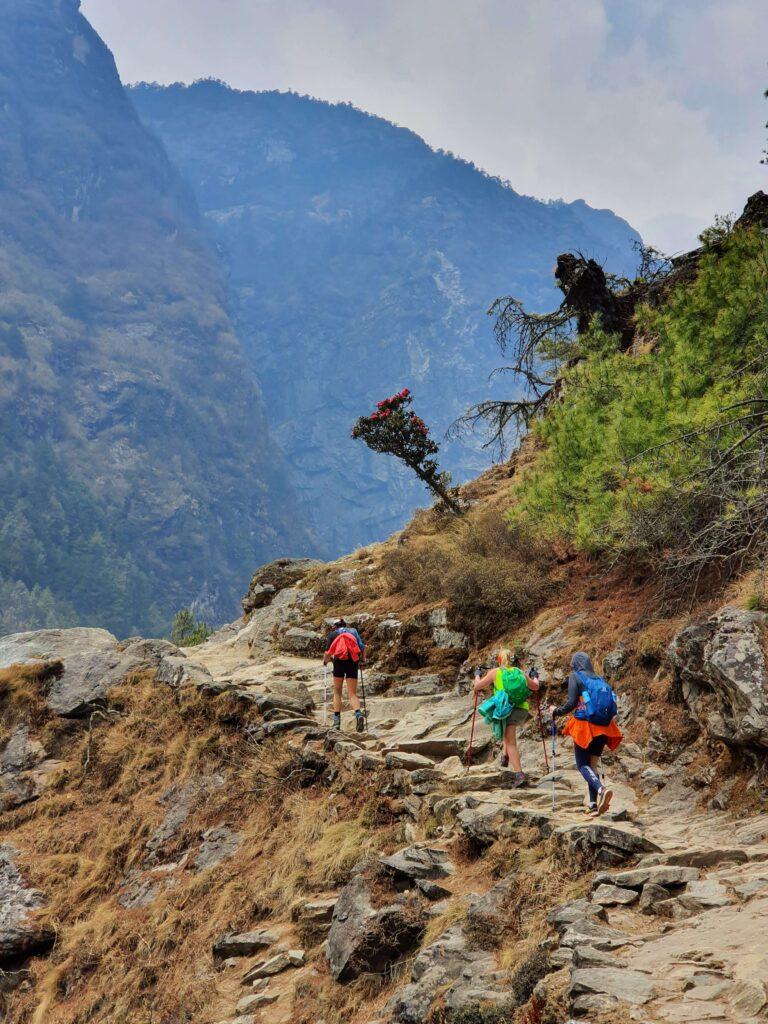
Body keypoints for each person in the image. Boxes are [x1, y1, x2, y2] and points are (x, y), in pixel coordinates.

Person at [549, 651, 622, 816]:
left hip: (585, 727)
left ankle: (602, 790)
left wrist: (556, 711)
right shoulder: (599, 679)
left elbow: (570, 703)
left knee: (583, 765)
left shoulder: (576, 677)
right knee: (593, 765)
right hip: (604, 727)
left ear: (575, 663)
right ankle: (593, 805)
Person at [473, 649, 539, 788]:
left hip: (506, 710)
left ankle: (519, 775)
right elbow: (535, 686)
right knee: (507, 733)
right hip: (522, 709)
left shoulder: (495, 672)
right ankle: (504, 757)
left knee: (511, 742)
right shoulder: (519, 672)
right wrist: (534, 676)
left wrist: (477, 675)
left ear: (499, 660)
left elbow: (477, 686)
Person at [323, 617, 366, 732]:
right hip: (353, 662)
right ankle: (358, 715)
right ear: (345, 625)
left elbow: (327, 653)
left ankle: (336, 723)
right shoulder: (353, 631)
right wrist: (363, 661)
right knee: (352, 694)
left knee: (337, 692)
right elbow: (362, 647)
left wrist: (325, 662)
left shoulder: (333, 634)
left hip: (339, 663)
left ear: (335, 626)